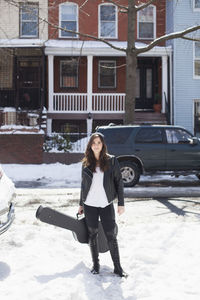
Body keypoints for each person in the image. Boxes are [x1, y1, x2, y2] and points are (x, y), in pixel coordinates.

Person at [78, 132, 127, 277]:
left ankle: (118, 268)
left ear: (103, 144)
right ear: (90, 146)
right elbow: (83, 186)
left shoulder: (112, 161)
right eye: (94, 143)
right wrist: (81, 204)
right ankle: (96, 265)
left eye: (99, 142)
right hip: (90, 204)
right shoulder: (86, 163)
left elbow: (119, 182)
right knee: (92, 234)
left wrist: (121, 203)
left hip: (106, 203)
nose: (96, 145)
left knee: (111, 235)